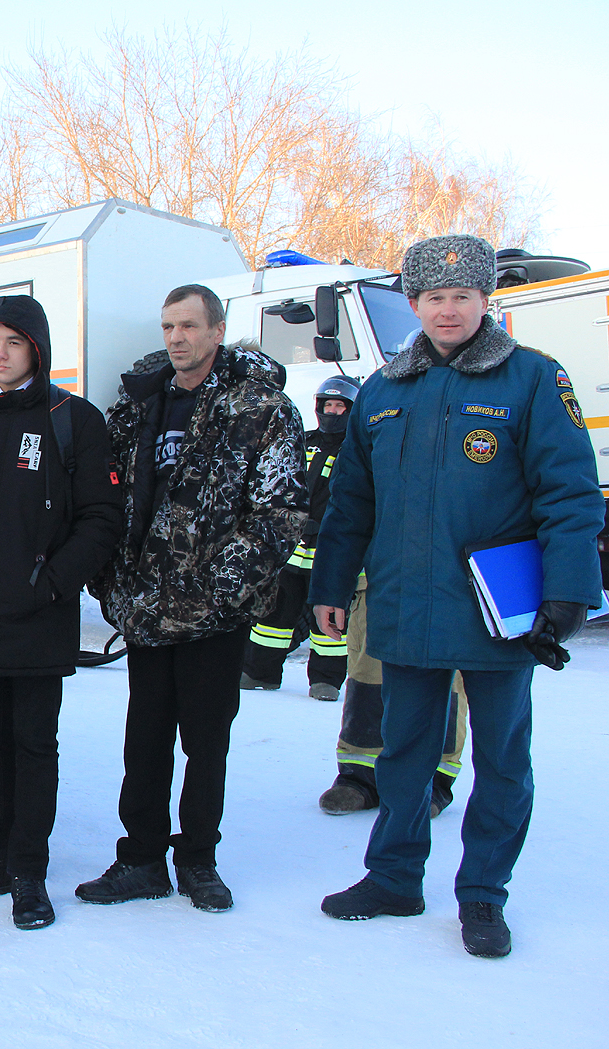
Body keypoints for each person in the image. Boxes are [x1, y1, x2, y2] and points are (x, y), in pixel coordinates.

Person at [311, 234, 602, 958]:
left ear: (484, 301)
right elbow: (350, 502)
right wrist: (327, 583)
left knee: (501, 761)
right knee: (402, 752)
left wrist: (567, 592)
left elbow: (568, 494)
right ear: (413, 304)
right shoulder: (382, 391)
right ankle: (394, 879)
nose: (447, 309)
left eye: (461, 296)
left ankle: (481, 897)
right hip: (407, 603)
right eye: (434, 297)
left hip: (495, 612)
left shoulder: (532, 378)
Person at [80, 284, 306, 913]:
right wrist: (114, 585)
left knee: (206, 742)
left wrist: (218, 591)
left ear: (217, 329)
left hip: (213, 615)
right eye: (167, 327)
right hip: (147, 610)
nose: (176, 337)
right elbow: (110, 499)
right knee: (144, 739)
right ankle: (143, 859)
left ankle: (199, 861)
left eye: (188, 325)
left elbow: (279, 514)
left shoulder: (260, 407)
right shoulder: (138, 406)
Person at [0, 297, 127, 931]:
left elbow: (101, 518)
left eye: (14, 342)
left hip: (36, 616)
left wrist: (51, 584)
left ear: (37, 348)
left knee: (33, 746)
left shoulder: (74, 420)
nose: (2, 353)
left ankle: (27, 873)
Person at [240, 376, 359, 699]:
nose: (333, 412)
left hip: (332, 550)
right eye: (327, 405)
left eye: (340, 406)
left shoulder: (359, 448)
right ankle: (258, 671)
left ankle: (326, 681)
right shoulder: (303, 441)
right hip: (291, 547)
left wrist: (326, 524)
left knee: (331, 620)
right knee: (273, 615)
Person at [318, 573, 468, 818]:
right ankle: (360, 778)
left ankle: (432, 782)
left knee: (447, 685)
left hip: (454, 581)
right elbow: (341, 534)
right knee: (368, 679)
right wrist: (329, 589)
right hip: (381, 577)